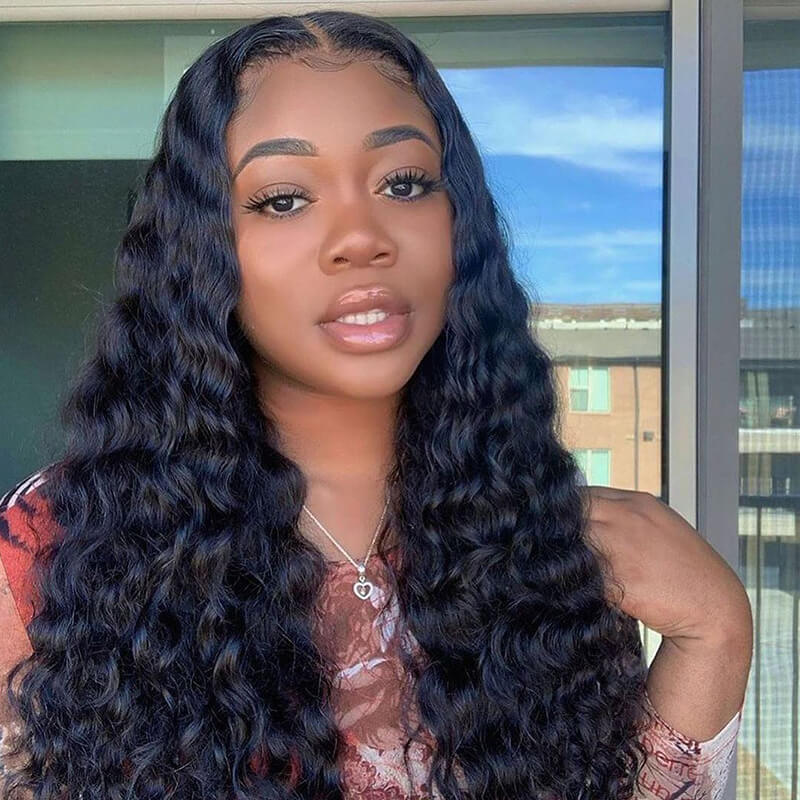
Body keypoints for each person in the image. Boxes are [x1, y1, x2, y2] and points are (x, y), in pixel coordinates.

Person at [0, 10, 751, 800]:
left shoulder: (544, 544)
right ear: (200, 249)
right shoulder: (56, 549)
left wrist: (717, 628)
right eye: (282, 199)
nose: (362, 237)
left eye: (404, 183)